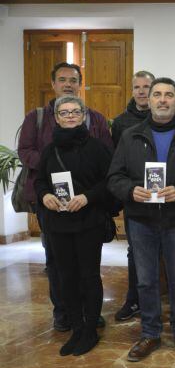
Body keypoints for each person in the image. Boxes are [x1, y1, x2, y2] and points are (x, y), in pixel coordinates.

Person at [107, 77, 175, 362]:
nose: (162, 99)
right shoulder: (130, 135)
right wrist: (131, 190)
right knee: (146, 281)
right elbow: (114, 177)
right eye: (157, 95)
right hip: (141, 219)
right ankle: (150, 333)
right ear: (149, 100)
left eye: (168, 95)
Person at [18, 62, 112, 332]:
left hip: (87, 205)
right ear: (53, 84)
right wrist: (56, 168)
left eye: (73, 79)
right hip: (52, 203)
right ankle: (64, 312)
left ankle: (89, 312)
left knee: (87, 264)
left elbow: (106, 156)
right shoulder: (36, 117)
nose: (68, 84)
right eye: (62, 79)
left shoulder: (95, 118)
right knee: (57, 263)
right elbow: (25, 151)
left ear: (79, 84)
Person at [35, 96, 114, 356]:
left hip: (88, 221)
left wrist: (87, 196)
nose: (70, 116)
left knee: (89, 276)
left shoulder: (98, 148)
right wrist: (45, 194)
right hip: (58, 223)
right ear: (56, 117)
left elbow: (110, 181)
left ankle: (90, 330)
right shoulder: (48, 150)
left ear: (83, 116)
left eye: (75, 111)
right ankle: (76, 329)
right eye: (64, 112)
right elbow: (40, 182)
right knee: (65, 277)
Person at [111, 70, 155, 322]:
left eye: (146, 86)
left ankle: (159, 296)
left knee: (163, 249)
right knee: (134, 250)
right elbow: (117, 163)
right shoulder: (121, 123)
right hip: (136, 198)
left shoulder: (167, 116)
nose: (141, 91)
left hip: (164, 197)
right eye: (137, 87)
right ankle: (133, 299)